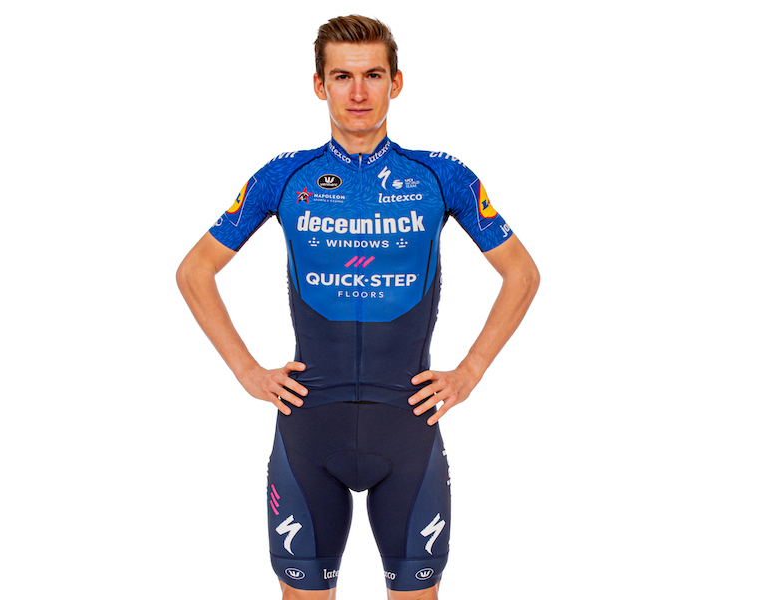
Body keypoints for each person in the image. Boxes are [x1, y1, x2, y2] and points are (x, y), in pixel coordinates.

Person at [177, 15, 539, 600]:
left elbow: (522, 273)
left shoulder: (440, 176)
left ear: (397, 82)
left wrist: (470, 370)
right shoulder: (284, 176)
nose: (358, 92)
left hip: (408, 429)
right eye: (342, 76)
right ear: (319, 85)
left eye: (372, 74)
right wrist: (247, 371)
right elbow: (194, 271)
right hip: (308, 429)